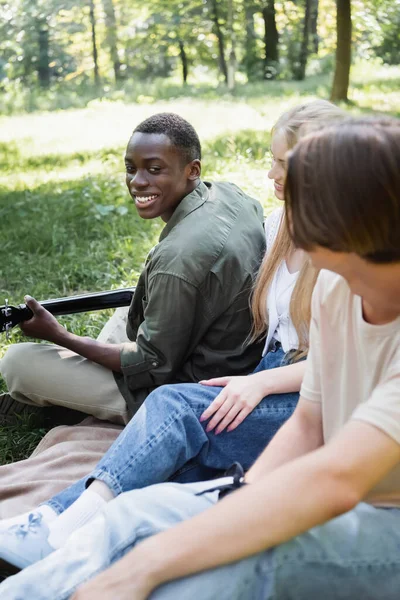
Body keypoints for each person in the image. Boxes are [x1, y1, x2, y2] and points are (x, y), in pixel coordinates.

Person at [0, 115, 399, 600]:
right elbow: (309, 424)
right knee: (135, 513)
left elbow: (334, 479)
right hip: (329, 486)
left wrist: (150, 564)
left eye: (300, 189)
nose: (280, 189)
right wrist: (235, 500)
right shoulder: (336, 287)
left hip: (384, 522)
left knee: (214, 567)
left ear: (350, 216)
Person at [0, 112, 266, 425]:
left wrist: (59, 336)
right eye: (131, 168)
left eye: (155, 169)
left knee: (17, 362)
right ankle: (71, 393)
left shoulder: (178, 260)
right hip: (228, 349)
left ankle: (74, 404)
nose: (138, 182)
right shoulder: (230, 194)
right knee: (129, 307)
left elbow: (152, 365)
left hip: (188, 390)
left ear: (193, 170)